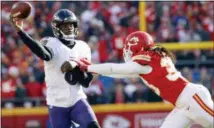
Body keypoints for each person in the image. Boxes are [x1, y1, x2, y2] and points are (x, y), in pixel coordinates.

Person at [72, 31, 214, 128]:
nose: (127, 53)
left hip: (191, 98)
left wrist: (90, 68)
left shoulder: (145, 61)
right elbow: (122, 73)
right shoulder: (151, 59)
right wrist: (95, 70)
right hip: (183, 105)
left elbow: (117, 69)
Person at [10, 9, 100, 128]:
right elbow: (43, 53)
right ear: (57, 27)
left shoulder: (83, 47)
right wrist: (21, 31)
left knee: (93, 126)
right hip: (57, 104)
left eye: (71, 24)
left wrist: (75, 68)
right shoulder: (50, 43)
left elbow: (86, 81)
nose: (69, 28)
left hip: (77, 100)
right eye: (64, 25)